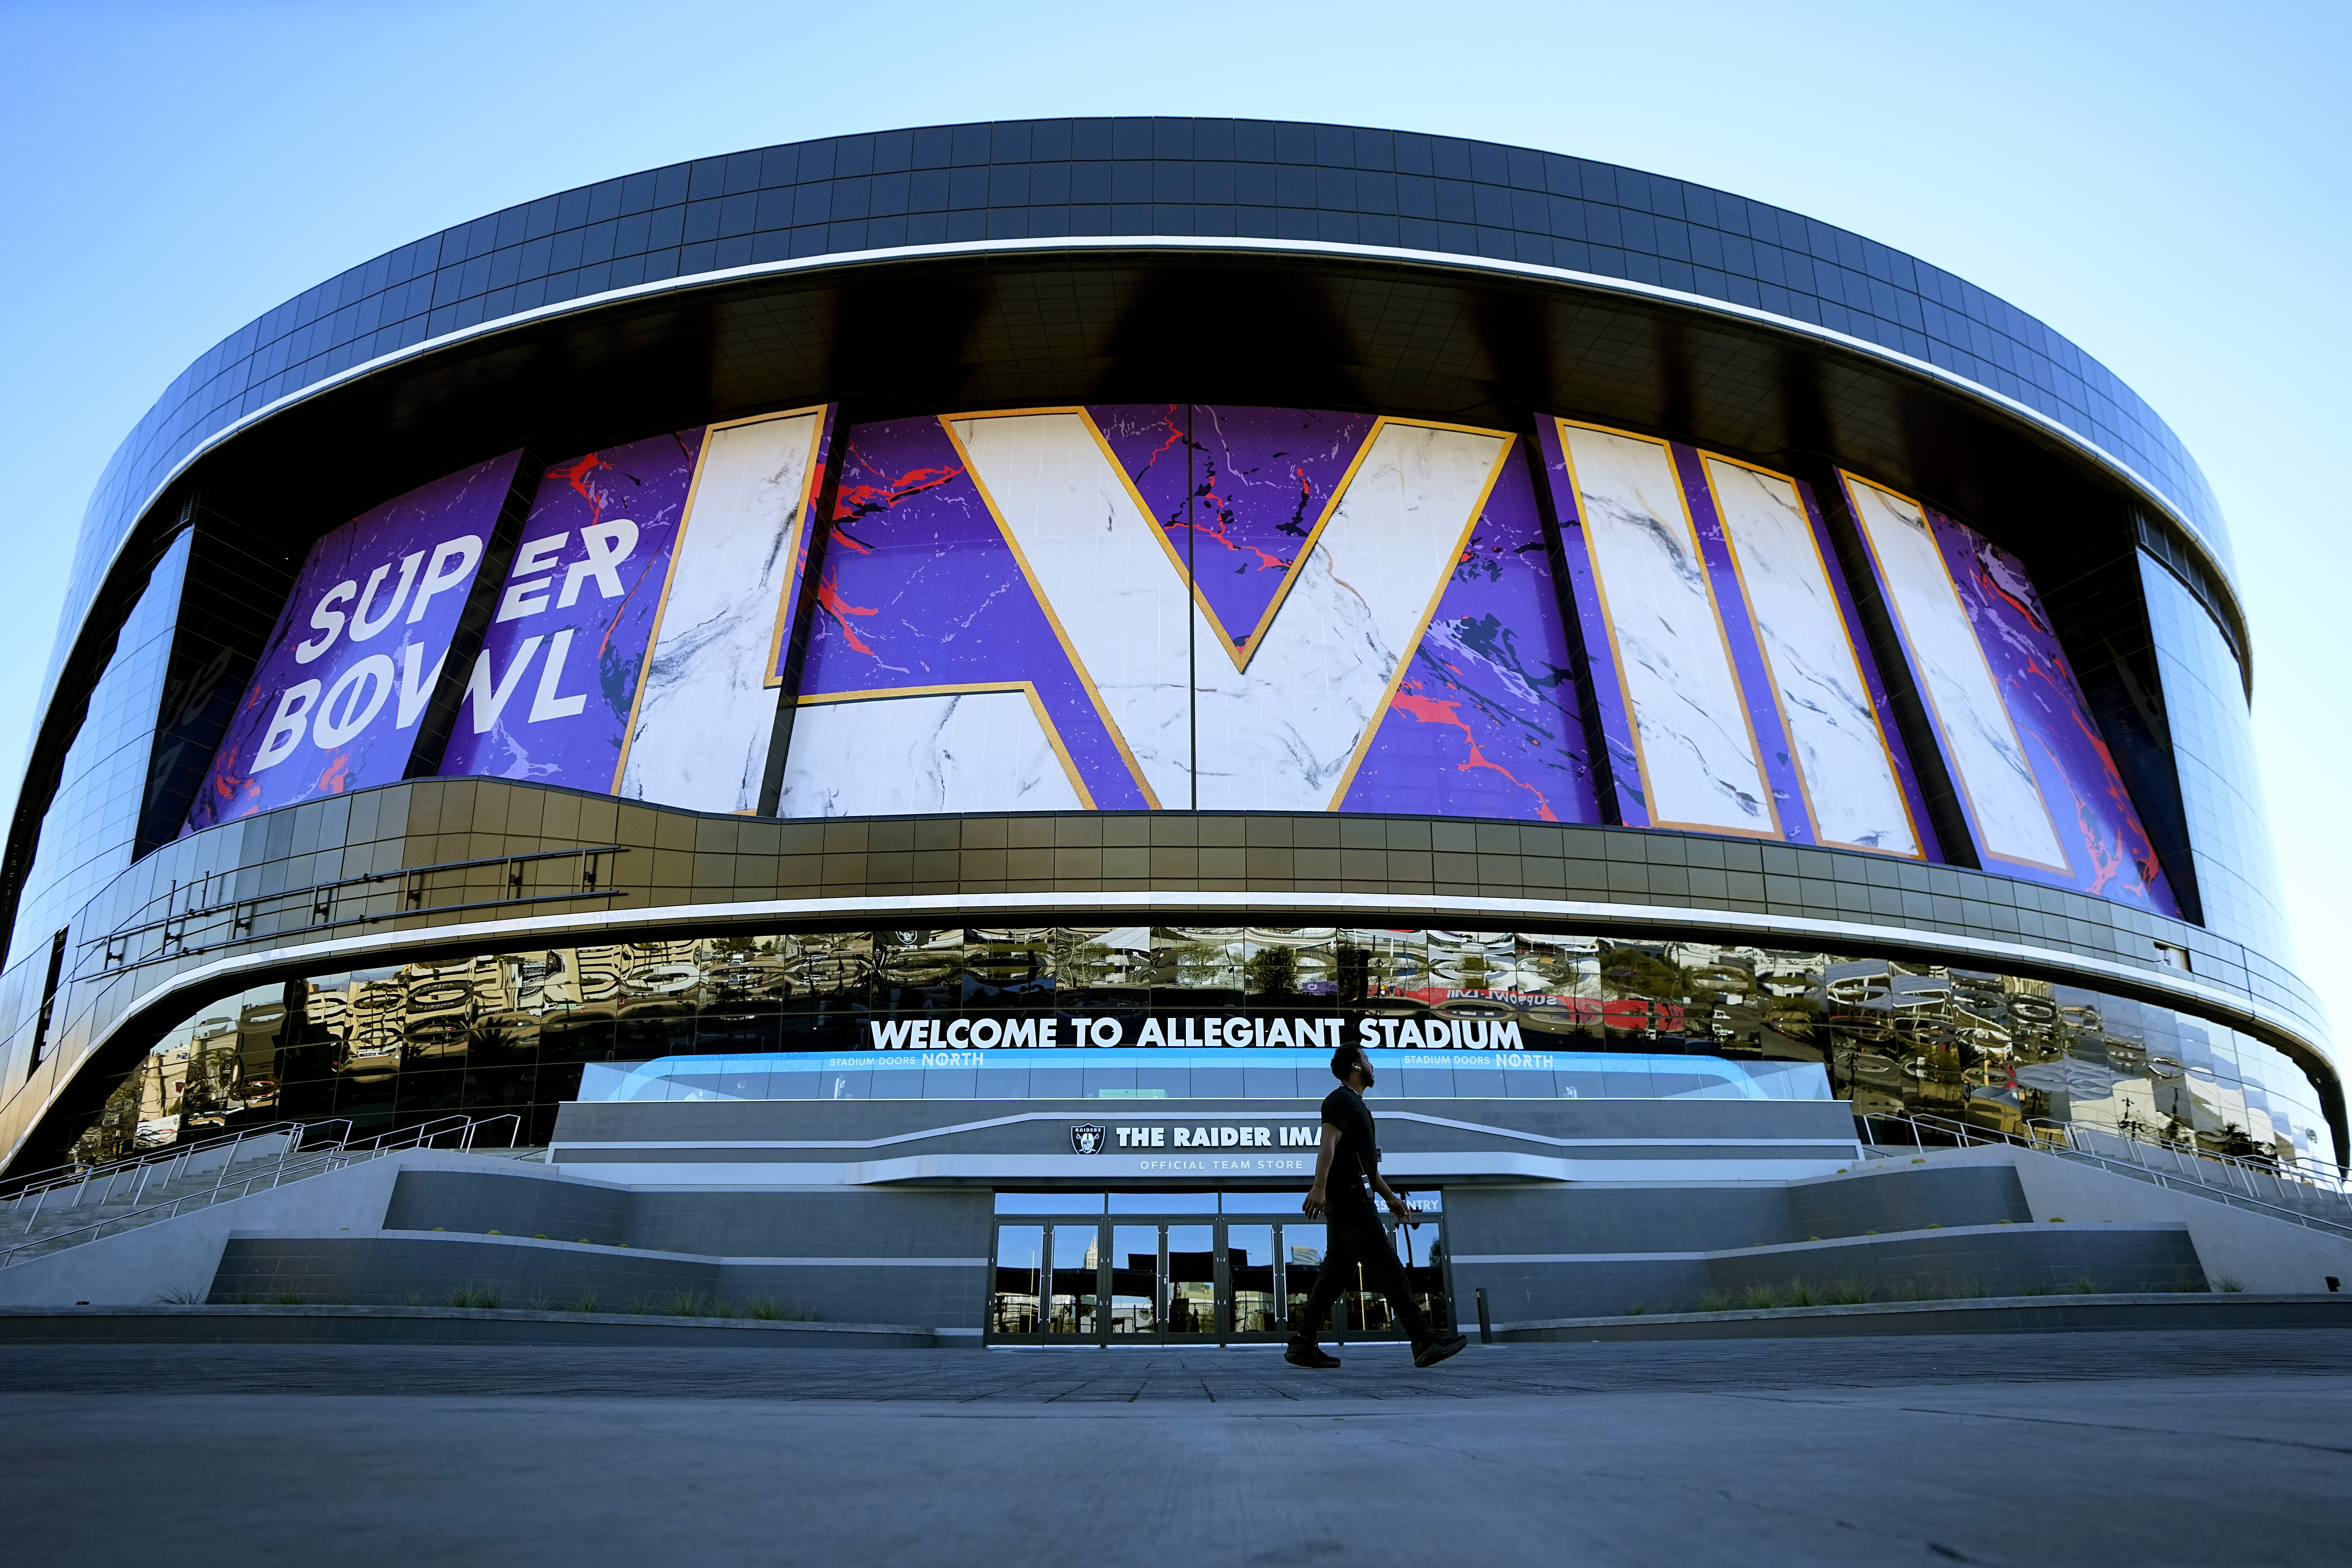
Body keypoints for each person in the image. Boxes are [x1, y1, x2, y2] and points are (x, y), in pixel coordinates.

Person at [1288, 1041, 1469, 1370]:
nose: (1373, 1065)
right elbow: (1327, 1145)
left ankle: (1303, 1343)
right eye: (1368, 1059)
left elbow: (1368, 1167)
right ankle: (1422, 1340)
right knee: (1388, 1268)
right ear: (1356, 1066)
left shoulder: (1358, 1106)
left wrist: (1391, 1198)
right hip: (1349, 1199)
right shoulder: (1340, 1100)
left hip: (1354, 1196)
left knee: (1334, 1276)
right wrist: (1319, 1187)